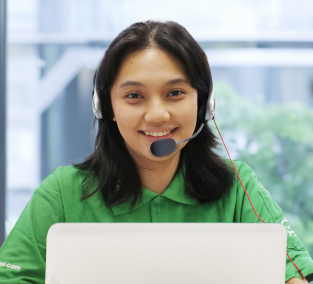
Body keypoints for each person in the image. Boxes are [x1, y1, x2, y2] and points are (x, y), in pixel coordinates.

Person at [0, 20, 312, 284]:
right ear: (107, 107)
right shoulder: (62, 193)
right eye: (134, 96)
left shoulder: (238, 186)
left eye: (175, 93)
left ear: (203, 104)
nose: (157, 115)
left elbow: (293, 275)